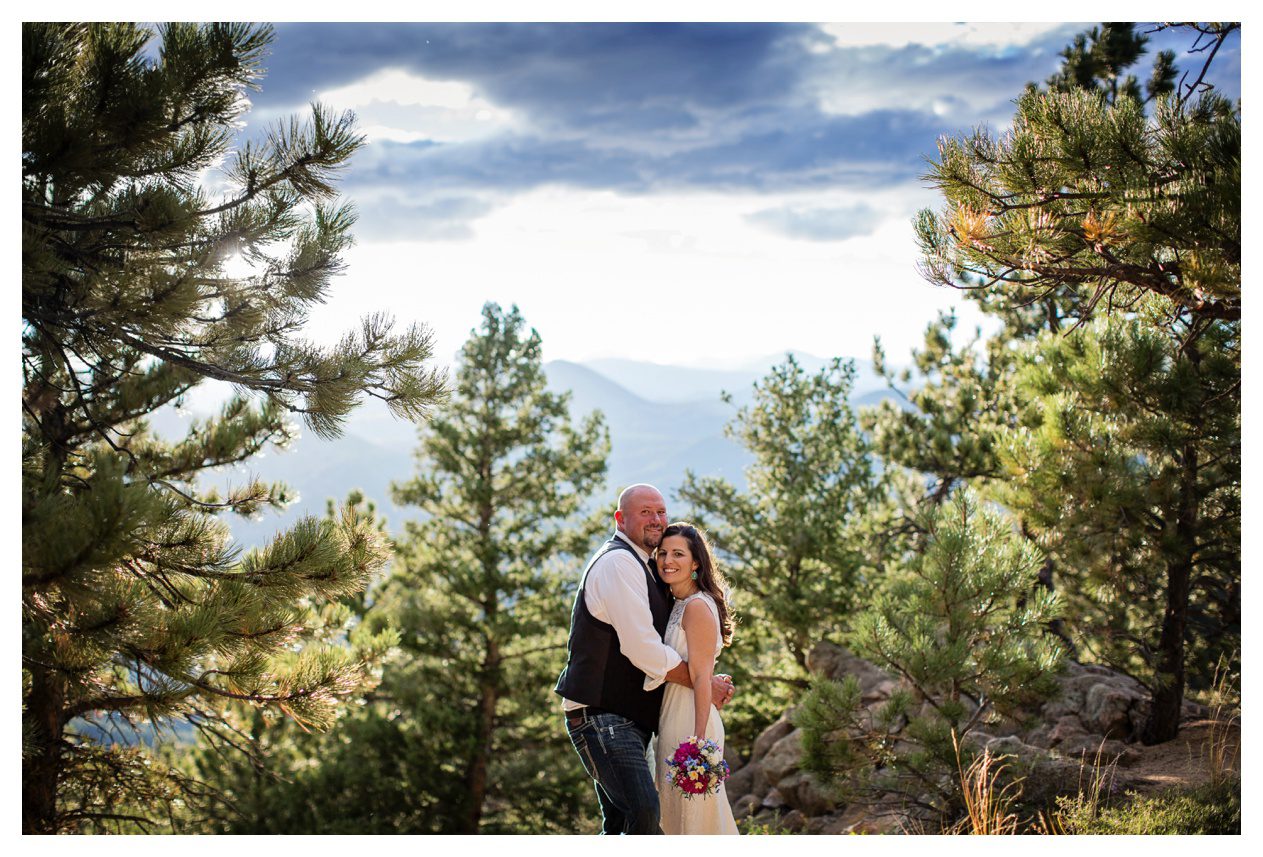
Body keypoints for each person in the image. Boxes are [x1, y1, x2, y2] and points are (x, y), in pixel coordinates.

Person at [554, 484, 735, 835]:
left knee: (624, 823)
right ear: (620, 519)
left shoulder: (649, 568)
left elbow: (686, 643)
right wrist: (702, 683)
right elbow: (643, 648)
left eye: (661, 511)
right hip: (603, 717)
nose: (656, 519)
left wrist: (704, 676)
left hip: (629, 720)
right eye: (645, 512)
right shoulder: (619, 563)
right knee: (646, 814)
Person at [653, 521, 739, 835]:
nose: (667, 560)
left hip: (690, 724)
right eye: (663, 553)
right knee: (675, 817)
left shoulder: (697, 606)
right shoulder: (677, 603)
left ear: (695, 563)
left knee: (697, 821)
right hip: (672, 717)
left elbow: (702, 677)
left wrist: (699, 743)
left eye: (678, 554)